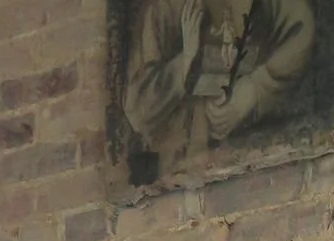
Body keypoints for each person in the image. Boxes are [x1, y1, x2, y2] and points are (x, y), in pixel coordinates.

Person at [124, 0, 314, 167]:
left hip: (252, 162)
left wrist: (253, 91)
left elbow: (300, 31)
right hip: (179, 168)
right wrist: (185, 63)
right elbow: (138, 107)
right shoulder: (163, 10)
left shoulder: (271, 5)